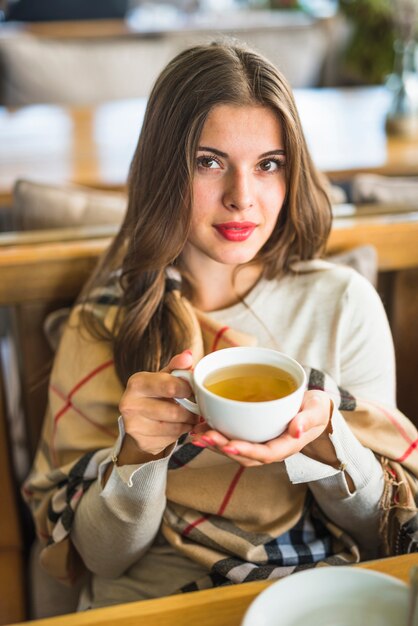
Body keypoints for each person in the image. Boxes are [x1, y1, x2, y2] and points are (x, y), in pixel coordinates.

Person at [23, 40, 418, 611]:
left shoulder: (344, 304)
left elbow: (381, 537)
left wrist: (334, 451)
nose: (242, 198)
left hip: (313, 598)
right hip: (153, 604)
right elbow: (98, 558)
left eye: (268, 165)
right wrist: (136, 457)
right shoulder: (104, 321)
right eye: (209, 162)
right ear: (165, 169)